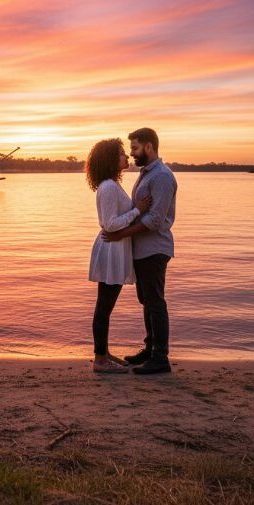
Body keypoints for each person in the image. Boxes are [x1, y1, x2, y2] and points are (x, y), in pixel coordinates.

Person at [103, 128, 177, 374]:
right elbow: (139, 210)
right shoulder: (146, 174)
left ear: (148, 147)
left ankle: (161, 358)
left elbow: (155, 219)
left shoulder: (162, 177)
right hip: (141, 250)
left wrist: (119, 235)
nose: (132, 153)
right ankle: (150, 350)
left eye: (135, 148)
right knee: (146, 301)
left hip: (155, 249)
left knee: (155, 302)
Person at [86, 138, 152, 373]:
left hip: (116, 248)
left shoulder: (111, 185)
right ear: (111, 159)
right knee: (104, 306)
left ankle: (103, 353)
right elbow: (110, 224)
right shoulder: (108, 187)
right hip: (111, 249)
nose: (126, 157)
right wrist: (138, 211)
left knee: (105, 305)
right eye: (122, 154)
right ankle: (100, 360)